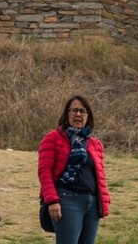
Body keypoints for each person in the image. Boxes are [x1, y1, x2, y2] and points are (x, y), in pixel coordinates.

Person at [37, 95, 110, 244]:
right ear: (66, 114)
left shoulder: (95, 144)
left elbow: (100, 177)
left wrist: (103, 203)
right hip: (67, 200)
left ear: (88, 116)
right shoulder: (53, 138)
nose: (78, 114)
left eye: (82, 111)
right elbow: (44, 172)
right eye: (74, 110)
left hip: (92, 204)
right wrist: (52, 201)